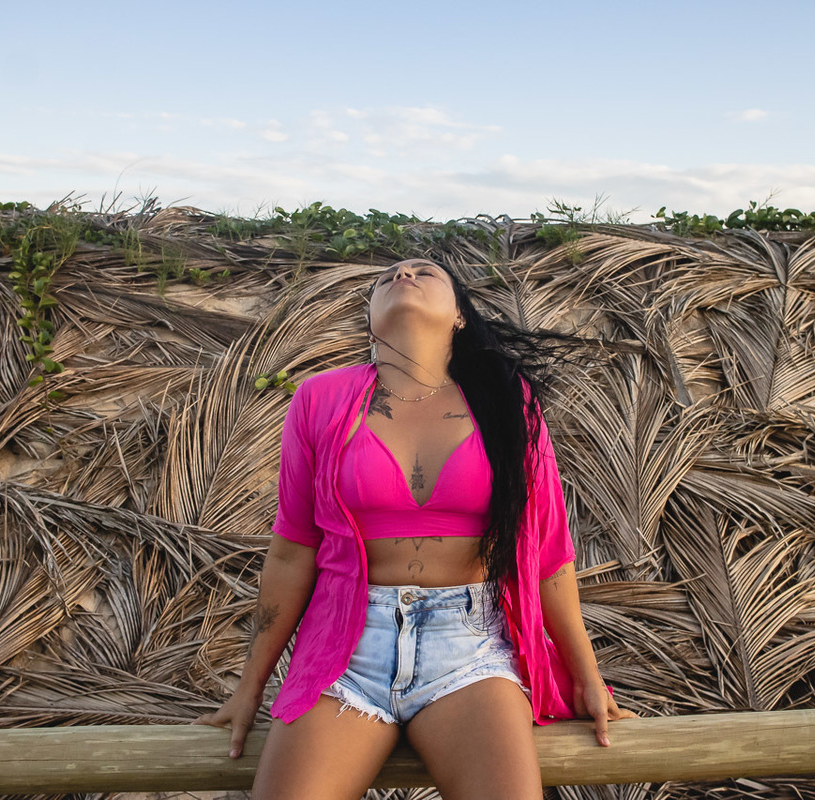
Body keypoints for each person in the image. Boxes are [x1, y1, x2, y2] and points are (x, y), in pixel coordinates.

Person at [194, 258, 636, 799]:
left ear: (458, 316)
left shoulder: (509, 403)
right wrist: (249, 686)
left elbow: (548, 556)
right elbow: (292, 553)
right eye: (386, 278)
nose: (402, 274)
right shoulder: (319, 399)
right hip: (346, 652)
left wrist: (587, 675)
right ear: (371, 320)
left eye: (425, 271)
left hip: (470, 650)